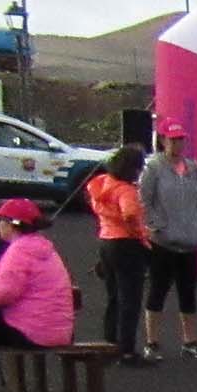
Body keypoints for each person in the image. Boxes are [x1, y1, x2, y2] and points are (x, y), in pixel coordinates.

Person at [136, 119, 197, 360]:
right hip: (163, 242)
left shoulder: (193, 168)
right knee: (158, 289)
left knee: (188, 292)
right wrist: (157, 226)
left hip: (190, 241)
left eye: (181, 140)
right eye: (173, 139)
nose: (178, 144)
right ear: (163, 140)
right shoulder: (153, 168)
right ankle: (152, 341)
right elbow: (143, 200)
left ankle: (190, 341)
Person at [85, 146, 151, 369]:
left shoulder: (102, 183)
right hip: (126, 244)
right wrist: (139, 234)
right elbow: (130, 213)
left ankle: (110, 342)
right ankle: (127, 350)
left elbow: (96, 203)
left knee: (113, 297)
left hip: (106, 241)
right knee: (130, 299)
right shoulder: (126, 190)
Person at [0, 200, 75, 360]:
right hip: (58, 332)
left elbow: (2, 296)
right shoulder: (40, 247)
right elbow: (11, 273)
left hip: (30, 333)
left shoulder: (20, 251)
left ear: (11, 224)